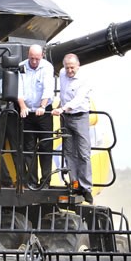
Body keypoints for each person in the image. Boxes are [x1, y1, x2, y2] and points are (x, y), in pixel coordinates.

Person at [51, 53, 93, 203]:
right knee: (68, 152)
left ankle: (86, 188)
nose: (69, 71)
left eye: (72, 68)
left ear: (78, 66)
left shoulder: (85, 79)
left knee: (83, 153)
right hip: (65, 118)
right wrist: (58, 106)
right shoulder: (62, 73)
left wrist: (63, 108)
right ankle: (75, 184)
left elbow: (79, 99)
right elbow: (62, 92)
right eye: (67, 67)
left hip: (80, 116)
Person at [17, 44, 55, 186]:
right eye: (32, 58)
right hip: (27, 112)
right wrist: (22, 107)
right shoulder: (21, 66)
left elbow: (48, 88)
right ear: (28, 55)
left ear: (42, 56)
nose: (34, 62)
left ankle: (45, 181)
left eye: (37, 59)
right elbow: (18, 89)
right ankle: (32, 181)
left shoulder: (47, 67)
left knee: (46, 146)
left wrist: (42, 106)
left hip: (43, 111)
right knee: (28, 148)